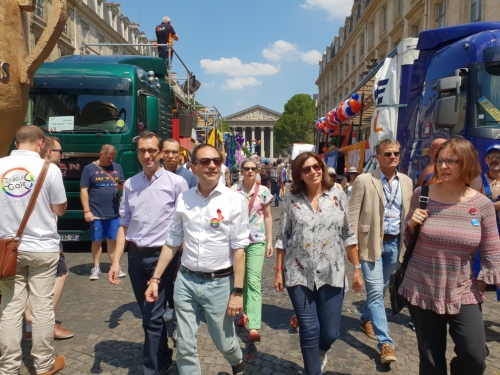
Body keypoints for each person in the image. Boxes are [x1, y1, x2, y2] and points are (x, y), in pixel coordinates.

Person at [144, 143, 249, 375]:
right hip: (186, 281)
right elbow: (172, 241)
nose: (212, 165)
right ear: (193, 167)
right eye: (205, 161)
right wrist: (155, 279)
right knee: (184, 343)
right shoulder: (184, 198)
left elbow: (240, 249)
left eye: (216, 161)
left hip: (220, 283)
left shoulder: (235, 200)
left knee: (224, 341)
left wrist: (238, 293)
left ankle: (237, 361)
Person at [399, 138, 500, 375]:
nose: (443, 166)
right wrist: (411, 225)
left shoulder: (482, 204)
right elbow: (408, 240)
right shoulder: (421, 195)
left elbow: (492, 250)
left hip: (463, 289)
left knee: (475, 356)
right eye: (439, 161)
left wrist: (481, 285)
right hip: (422, 286)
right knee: (432, 362)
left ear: (466, 163)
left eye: (451, 161)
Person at [273, 151, 362, 375]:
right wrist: (278, 270)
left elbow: (348, 232)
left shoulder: (337, 194)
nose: (313, 172)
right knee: (310, 329)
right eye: (306, 169)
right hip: (298, 272)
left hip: (332, 271)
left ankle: (322, 350)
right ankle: (313, 371)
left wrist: (357, 268)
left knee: (330, 332)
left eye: (316, 167)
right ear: (299, 175)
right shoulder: (291, 198)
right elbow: (283, 236)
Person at [109, 131, 188, 375]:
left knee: (152, 316)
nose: (147, 155)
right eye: (142, 150)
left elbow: (183, 225)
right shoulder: (131, 184)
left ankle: (151, 369)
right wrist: (115, 261)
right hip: (135, 256)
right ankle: (163, 356)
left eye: (152, 150)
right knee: (147, 312)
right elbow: (124, 224)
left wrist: (181, 259)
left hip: (163, 257)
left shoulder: (177, 184)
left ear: (161, 153)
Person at [0, 126, 67, 375]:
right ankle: (44, 365)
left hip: (7, 248)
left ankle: (7, 368)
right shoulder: (50, 169)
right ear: (41, 143)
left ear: (16, 144)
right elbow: (59, 209)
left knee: (9, 308)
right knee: (41, 308)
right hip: (42, 248)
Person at [348, 138, 413, 365]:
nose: (393, 157)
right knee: (376, 292)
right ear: (377, 157)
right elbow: (352, 217)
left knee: (382, 288)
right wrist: (352, 250)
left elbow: (407, 214)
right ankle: (386, 344)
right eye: (387, 154)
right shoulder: (365, 180)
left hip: (395, 244)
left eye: (396, 153)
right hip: (370, 244)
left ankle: (365, 318)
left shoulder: (406, 181)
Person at [24, 137, 73, 341]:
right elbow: (60, 209)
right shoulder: (51, 171)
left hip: (16, 239)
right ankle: (44, 324)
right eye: (60, 152)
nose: (63, 156)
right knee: (60, 275)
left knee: (26, 285)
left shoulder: (20, 169)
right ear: (49, 151)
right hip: (44, 239)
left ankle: (28, 327)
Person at [232, 158, 273, 342]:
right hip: (238, 242)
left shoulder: (264, 191)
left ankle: (254, 326)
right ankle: (245, 313)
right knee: (242, 279)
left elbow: (268, 217)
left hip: (257, 241)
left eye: (253, 169)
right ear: (241, 171)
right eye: (246, 168)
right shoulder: (233, 191)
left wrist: (270, 241)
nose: (249, 171)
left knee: (254, 280)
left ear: (257, 171)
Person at [162, 138, 198, 322]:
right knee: (166, 276)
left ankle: (180, 310)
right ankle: (169, 304)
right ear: (162, 154)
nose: (170, 156)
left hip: (182, 234)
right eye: (167, 152)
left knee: (180, 275)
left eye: (174, 152)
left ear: (180, 154)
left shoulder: (190, 177)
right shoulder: (156, 175)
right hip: (161, 234)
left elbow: (194, 207)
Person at [80, 144, 125, 280]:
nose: (111, 160)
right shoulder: (89, 169)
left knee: (113, 240)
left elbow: (123, 186)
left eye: (113, 158)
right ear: (101, 154)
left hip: (113, 212)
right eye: (108, 157)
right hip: (96, 213)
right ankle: (96, 267)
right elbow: (83, 190)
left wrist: (121, 186)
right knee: (97, 240)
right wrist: (87, 210)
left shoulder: (117, 167)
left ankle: (115, 265)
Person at [471, 144, 500, 298]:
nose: (495, 160)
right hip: (486, 231)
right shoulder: (478, 180)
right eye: (491, 157)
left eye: (498, 157)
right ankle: (475, 304)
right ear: (486, 160)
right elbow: (472, 205)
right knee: (481, 268)